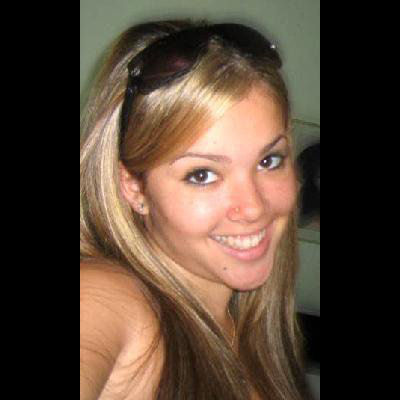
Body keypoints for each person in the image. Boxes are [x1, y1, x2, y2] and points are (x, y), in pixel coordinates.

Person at [80, 19, 312, 400]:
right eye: (202, 174)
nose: (253, 208)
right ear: (134, 188)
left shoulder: (254, 336)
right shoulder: (112, 300)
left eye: (269, 160)